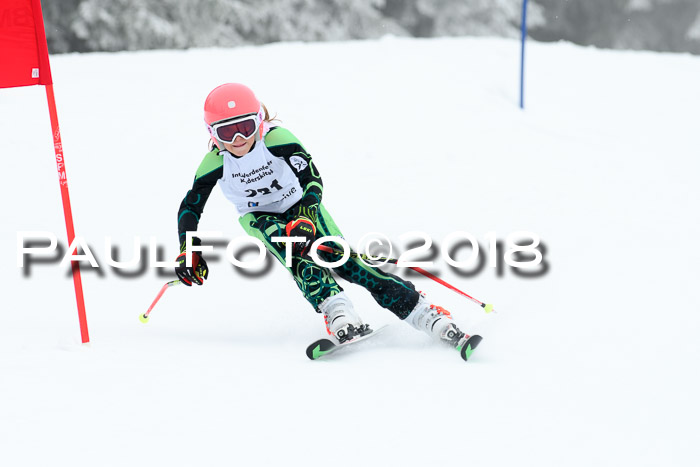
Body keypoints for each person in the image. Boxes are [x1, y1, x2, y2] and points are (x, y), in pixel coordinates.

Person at [175, 82, 478, 357]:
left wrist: (306, 215)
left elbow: (313, 179)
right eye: (226, 132)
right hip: (260, 216)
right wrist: (189, 249)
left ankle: (424, 313)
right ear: (212, 133)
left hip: (302, 205)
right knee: (299, 259)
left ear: (259, 122)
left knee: (346, 262)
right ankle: (337, 310)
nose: (239, 138)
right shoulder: (214, 163)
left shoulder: (278, 139)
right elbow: (190, 208)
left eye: (245, 126)